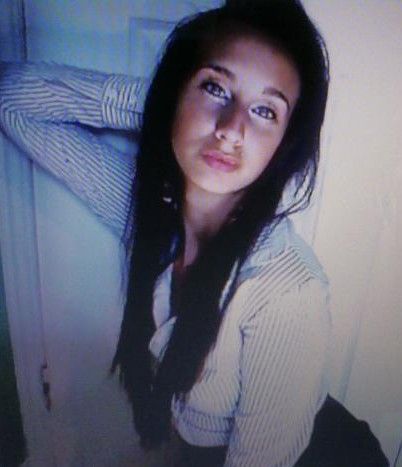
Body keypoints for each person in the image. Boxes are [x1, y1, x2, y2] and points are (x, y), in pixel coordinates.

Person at [0, 1, 389, 466]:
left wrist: (191, 104)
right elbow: (11, 98)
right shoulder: (146, 208)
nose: (231, 130)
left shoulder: (286, 291)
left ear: (285, 143)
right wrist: (165, 105)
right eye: (215, 87)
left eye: (265, 111)